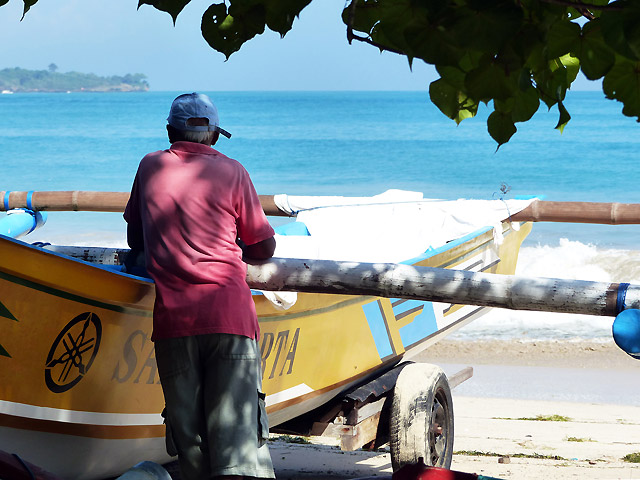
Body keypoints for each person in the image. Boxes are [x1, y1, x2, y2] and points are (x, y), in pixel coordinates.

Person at [124, 92, 276, 480]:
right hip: (229, 316)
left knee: (190, 446)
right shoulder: (233, 171)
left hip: (174, 322)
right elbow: (262, 246)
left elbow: (135, 239)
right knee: (238, 446)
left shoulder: (149, 166)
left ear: (170, 131)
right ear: (212, 136)